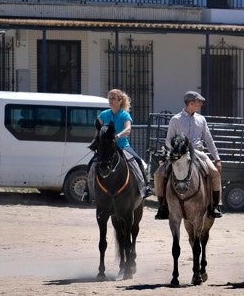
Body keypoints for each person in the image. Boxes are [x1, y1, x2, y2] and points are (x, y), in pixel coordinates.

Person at [153, 91, 223, 220]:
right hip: (179, 153)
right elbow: (168, 140)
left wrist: (217, 158)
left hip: (198, 152)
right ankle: (162, 206)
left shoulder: (201, 119)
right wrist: (175, 151)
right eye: (199, 102)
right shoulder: (176, 119)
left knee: (214, 173)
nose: (201, 104)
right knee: (159, 174)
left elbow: (208, 139)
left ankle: (215, 205)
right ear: (191, 103)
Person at [84, 89, 151, 201]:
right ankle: (88, 191)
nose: (111, 100)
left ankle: (145, 188)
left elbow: (128, 129)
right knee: (91, 164)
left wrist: (117, 136)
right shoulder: (104, 114)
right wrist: (97, 141)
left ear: (120, 101)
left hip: (122, 146)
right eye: (110, 98)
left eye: (114, 98)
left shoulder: (124, 115)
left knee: (138, 161)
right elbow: (98, 128)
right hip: (106, 148)